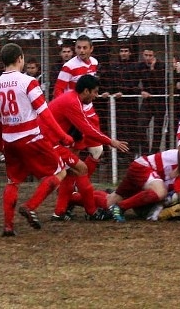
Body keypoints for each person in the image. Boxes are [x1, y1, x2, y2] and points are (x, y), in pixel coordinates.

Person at [0, 43, 75, 236]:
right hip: (30, 137)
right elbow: (44, 112)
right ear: (20, 59)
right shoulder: (28, 82)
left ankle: (8, 227)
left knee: (13, 181)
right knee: (59, 172)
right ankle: (30, 206)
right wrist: (62, 136)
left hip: (9, 140)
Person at [47, 74, 129, 221]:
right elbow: (87, 129)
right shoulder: (72, 102)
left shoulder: (73, 99)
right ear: (86, 91)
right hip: (50, 143)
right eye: (95, 92)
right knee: (81, 169)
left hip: (56, 140)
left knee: (71, 173)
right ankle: (91, 212)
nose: (96, 95)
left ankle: (59, 212)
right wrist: (112, 142)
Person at [100, 148, 180, 222]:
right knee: (160, 192)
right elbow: (179, 186)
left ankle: (87, 199)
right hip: (144, 167)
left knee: (109, 203)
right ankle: (121, 207)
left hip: (141, 167)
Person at [136, 48, 166, 156]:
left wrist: (153, 69)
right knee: (140, 127)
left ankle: (154, 153)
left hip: (159, 100)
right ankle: (145, 153)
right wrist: (141, 91)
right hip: (147, 100)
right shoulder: (141, 66)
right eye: (145, 55)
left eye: (150, 55)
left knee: (157, 130)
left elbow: (161, 84)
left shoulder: (161, 66)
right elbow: (134, 81)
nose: (148, 58)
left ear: (154, 55)